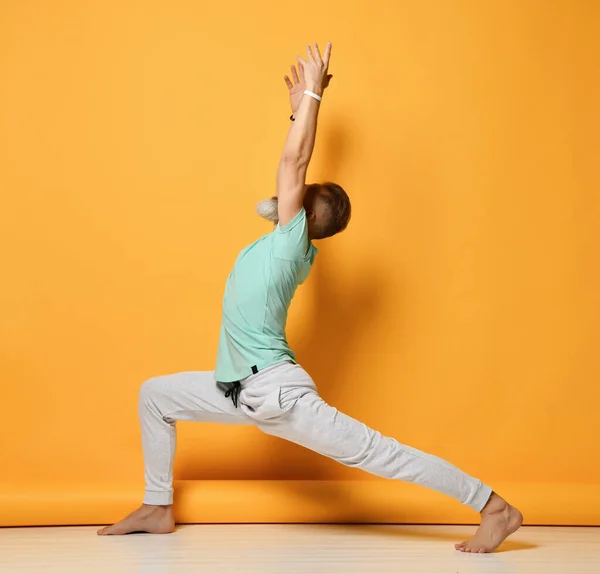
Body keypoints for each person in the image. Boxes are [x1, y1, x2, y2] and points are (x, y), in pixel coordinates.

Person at [98, 42, 522, 553]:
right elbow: (283, 184)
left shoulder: (288, 245)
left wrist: (314, 96)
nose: (291, 191)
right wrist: (297, 108)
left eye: (302, 195)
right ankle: (158, 506)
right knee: (156, 396)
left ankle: (494, 506)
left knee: (377, 453)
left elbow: (294, 159)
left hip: (277, 395)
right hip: (239, 389)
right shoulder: (288, 245)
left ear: (306, 219)